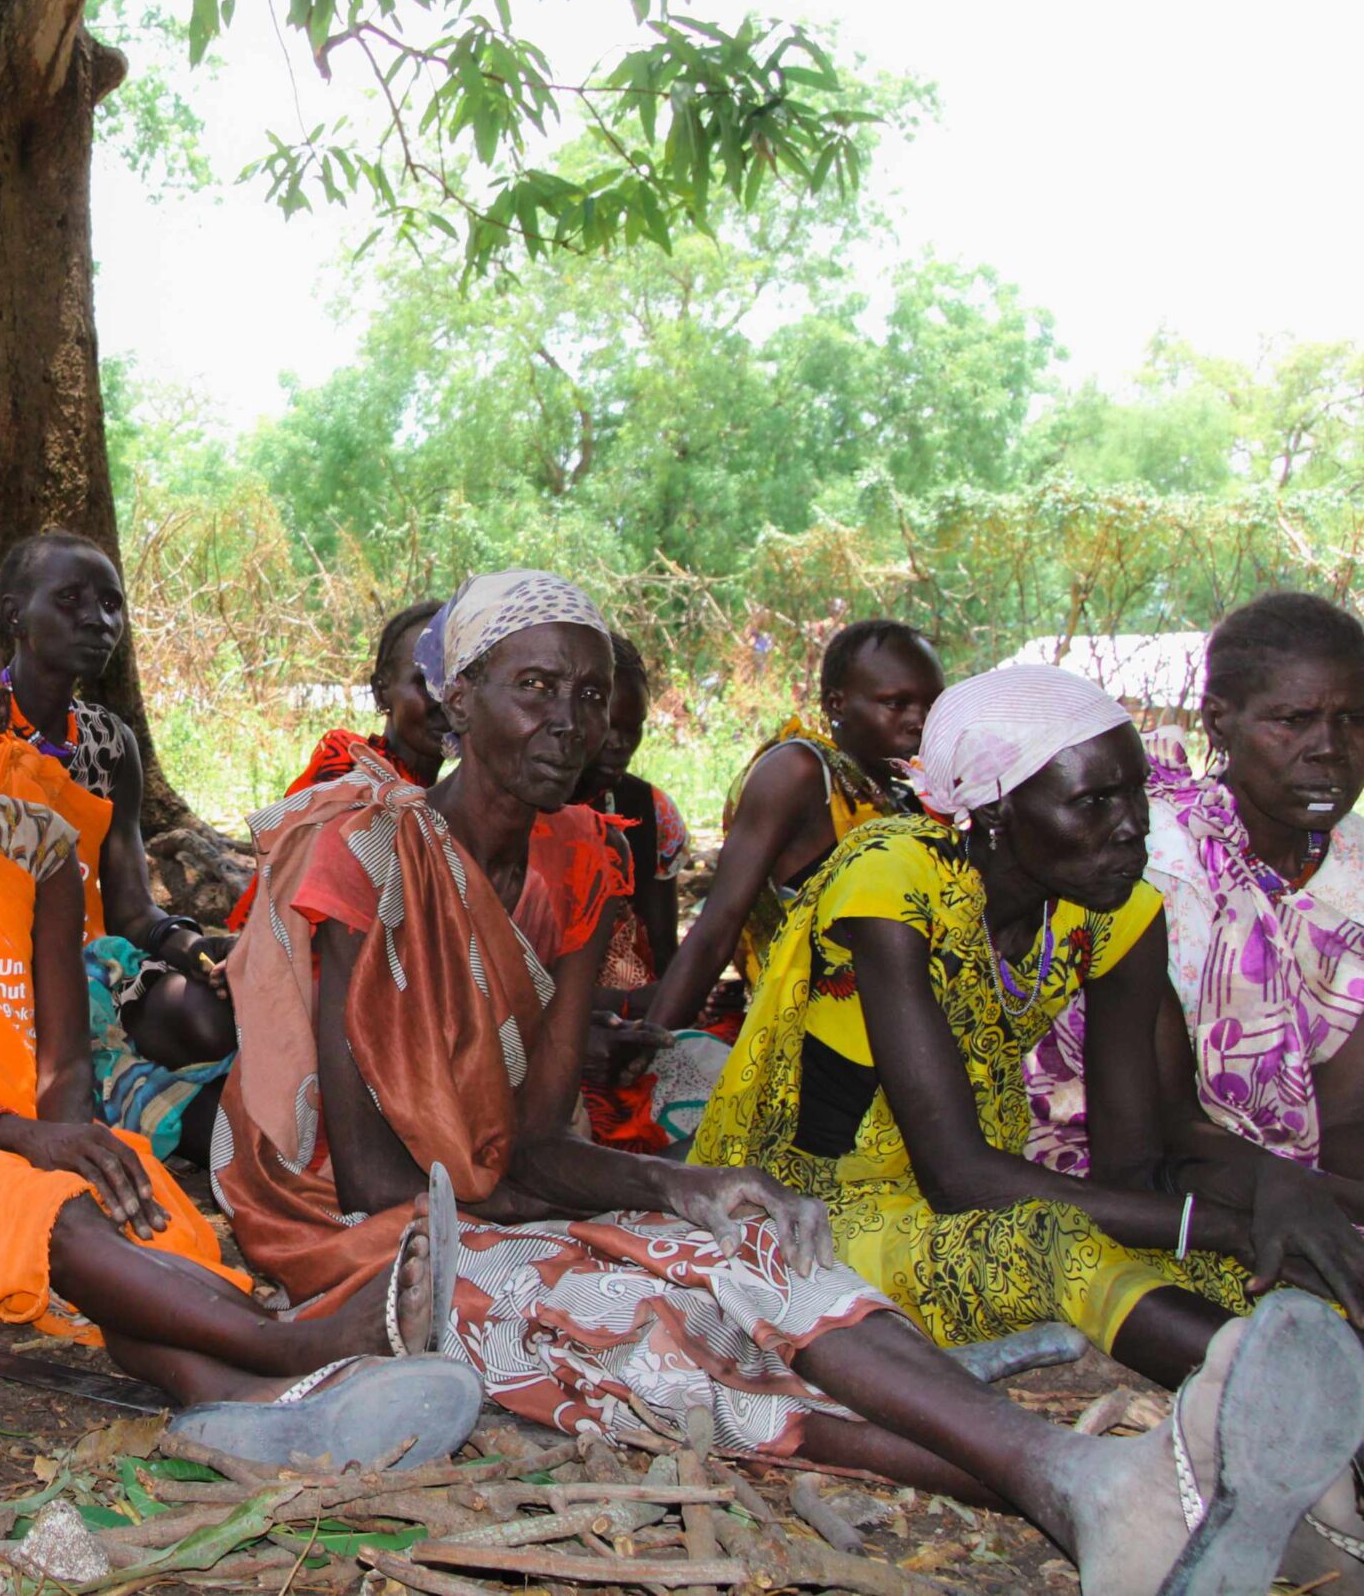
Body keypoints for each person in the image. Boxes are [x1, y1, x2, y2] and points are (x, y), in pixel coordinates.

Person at [216, 571, 1364, 1594]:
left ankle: (1124, 1484)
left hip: (493, 1192)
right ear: (455, 696)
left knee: (748, 1254)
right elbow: (375, 1179)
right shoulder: (358, 850)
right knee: (659, 1319)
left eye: (589, 690)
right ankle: (1078, 1481)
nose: (569, 720)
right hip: (364, 1235)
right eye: (534, 687)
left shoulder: (578, 855)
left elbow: (535, 1144)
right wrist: (625, 1214)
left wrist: (683, 1192)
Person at [0, 601, 472, 1453]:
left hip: (26, 1130)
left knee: (129, 1218)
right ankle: (302, 1345)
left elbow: (63, 1061)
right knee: (65, 1219)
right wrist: (17, 1140)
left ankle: (250, 1403)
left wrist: (70, 1139)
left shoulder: (41, 843)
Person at [1028, 593, 1364, 1184]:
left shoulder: (1355, 863)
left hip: (1316, 1185)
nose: (1331, 749)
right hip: (1144, 1183)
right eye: (1293, 721)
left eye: (1355, 719)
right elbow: (1150, 1128)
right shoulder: (1147, 860)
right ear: (1217, 720)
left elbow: (1345, 1120)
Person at [628, 618, 945, 1140]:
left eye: (932, 705)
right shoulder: (799, 773)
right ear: (838, 705)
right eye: (897, 703)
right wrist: (650, 1050)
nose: (919, 721)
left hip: (896, 1042)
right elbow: (719, 922)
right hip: (811, 1053)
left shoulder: (906, 793)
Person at [0, 533, 236, 1160]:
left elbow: (130, 906)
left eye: (111, 604)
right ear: (15, 614)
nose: (98, 619)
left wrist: (197, 949)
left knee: (214, 1017)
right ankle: (173, 1112)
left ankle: (157, 1097)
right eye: (70, 599)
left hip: (94, 958)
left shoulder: (108, 742)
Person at [223, 599, 447, 934]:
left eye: (460, 680)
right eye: (427, 682)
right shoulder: (348, 780)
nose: (446, 699)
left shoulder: (461, 796)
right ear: (381, 693)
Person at [568, 632, 699, 1153]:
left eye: (634, 728)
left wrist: (653, 1018)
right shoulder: (518, 809)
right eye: (608, 727)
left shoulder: (650, 813)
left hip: (627, 1014)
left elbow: (663, 950)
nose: (620, 742)